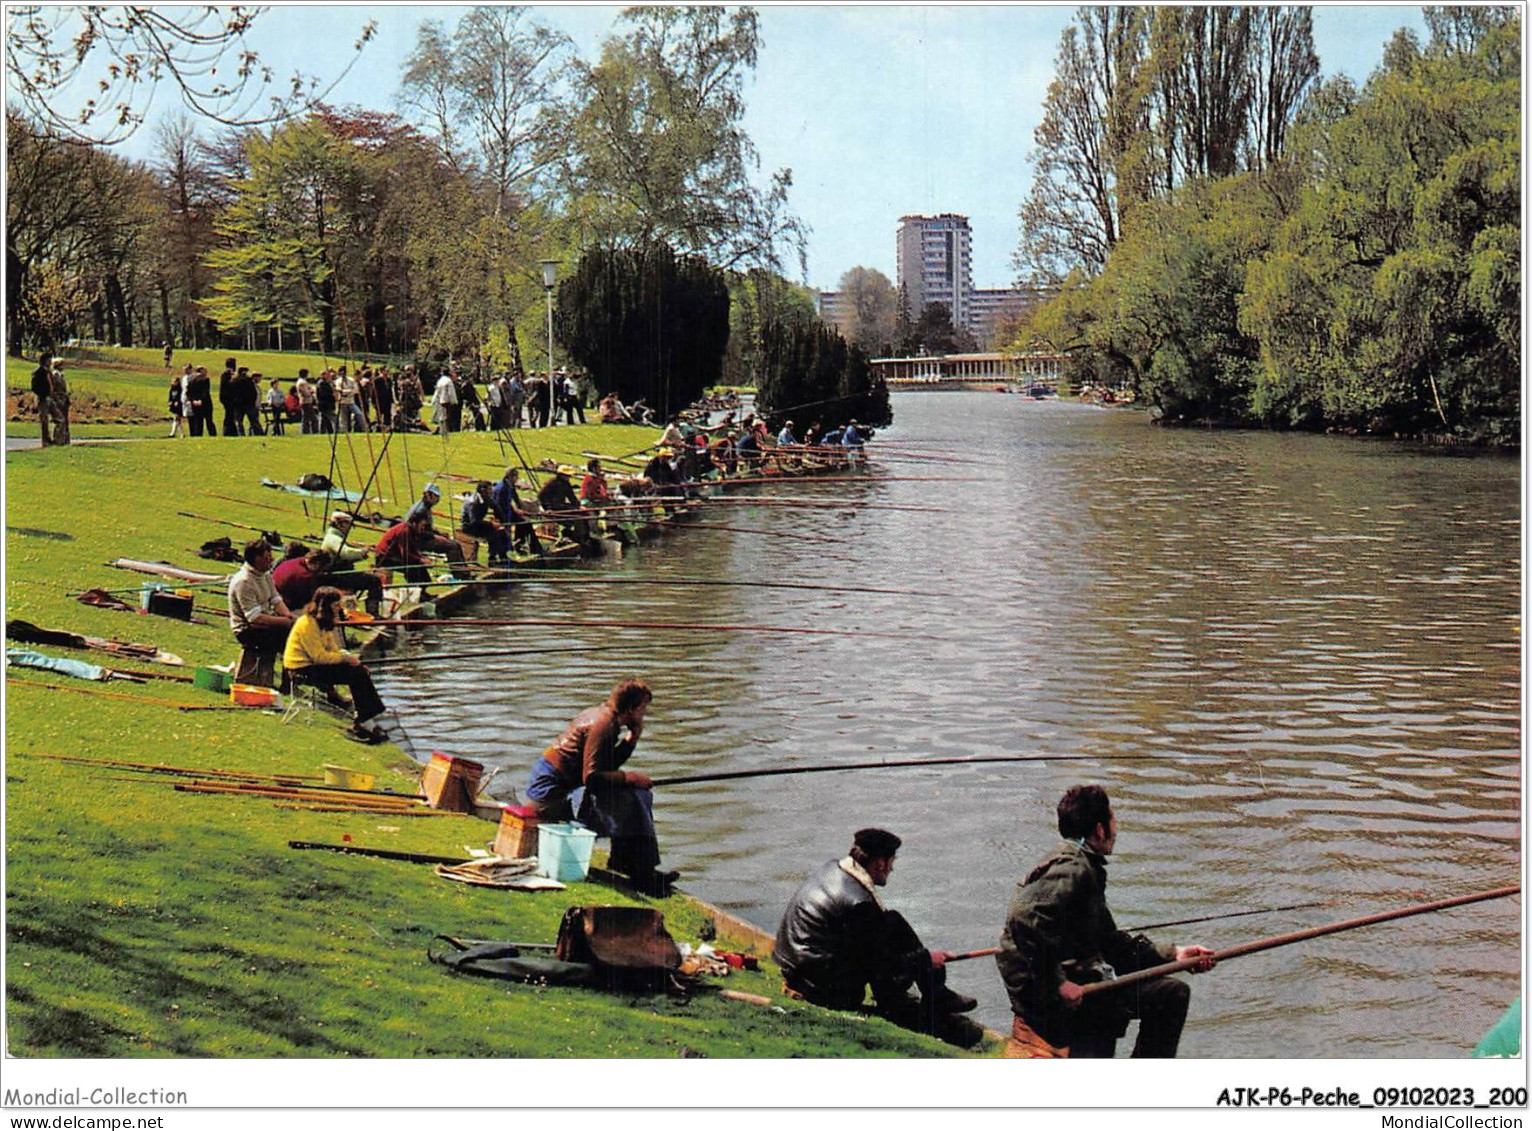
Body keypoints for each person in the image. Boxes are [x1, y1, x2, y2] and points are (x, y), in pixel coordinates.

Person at [996, 785, 1216, 1059]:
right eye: (1113, 820)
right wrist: (1057, 983)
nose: (1116, 828)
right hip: (1049, 998)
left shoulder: (1071, 862)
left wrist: (1176, 955)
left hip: (1043, 990)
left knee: (1158, 991)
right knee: (1172, 995)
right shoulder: (1075, 869)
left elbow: (1111, 944)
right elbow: (1023, 917)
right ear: (1100, 829)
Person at [773, 828, 983, 1049]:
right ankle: (909, 1003)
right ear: (880, 863)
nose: (892, 868)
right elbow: (880, 964)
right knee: (890, 952)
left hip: (797, 967)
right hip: (820, 987)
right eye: (892, 862)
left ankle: (935, 992)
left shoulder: (834, 868)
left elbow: (875, 942)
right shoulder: (859, 902)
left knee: (891, 920)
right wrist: (926, 959)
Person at [524, 679, 676, 896]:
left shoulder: (605, 717)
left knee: (635, 794)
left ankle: (636, 868)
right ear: (631, 709)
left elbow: (606, 766)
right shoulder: (603, 725)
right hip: (550, 796)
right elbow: (593, 778)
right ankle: (641, 874)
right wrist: (629, 777)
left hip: (566, 788)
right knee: (631, 799)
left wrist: (631, 740)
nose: (644, 713)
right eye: (643, 708)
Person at [283, 586, 390, 744]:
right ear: (324, 606)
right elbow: (318, 656)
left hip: (312, 665)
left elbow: (332, 649)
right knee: (355, 673)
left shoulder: (323, 623)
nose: (338, 608)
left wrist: (350, 659)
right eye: (335, 605)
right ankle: (365, 721)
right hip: (300, 669)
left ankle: (365, 717)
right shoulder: (307, 623)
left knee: (358, 671)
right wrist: (345, 659)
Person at [227, 539, 295, 688]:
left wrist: (288, 616)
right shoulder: (244, 581)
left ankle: (286, 682)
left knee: (294, 631)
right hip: (246, 629)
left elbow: (275, 599)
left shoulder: (265, 575)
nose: (271, 560)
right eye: (267, 557)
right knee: (287, 636)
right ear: (257, 559)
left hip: (264, 622)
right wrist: (285, 622)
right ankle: (285, 682)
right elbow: (254, 618)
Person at [319, 512, 384, 615]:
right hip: (336, 576)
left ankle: (352, 610)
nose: (349, 528)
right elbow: (346, 553)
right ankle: (373, 613)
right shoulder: (333, 538)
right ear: (340, 524)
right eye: (348, 525)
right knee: (374, 580)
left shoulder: (335, 536)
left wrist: (361, 553)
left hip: (341, 573)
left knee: (365, 578)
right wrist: (362, 552)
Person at [404, 484, 470, 575]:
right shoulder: (420, 510)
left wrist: (439, 534)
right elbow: (418, 532)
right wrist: (435, 536)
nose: (437, 500)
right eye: (436, 497)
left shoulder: (426, 507)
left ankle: (464, 571)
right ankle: (458, 574)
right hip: (416, 540)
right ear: (428, 495)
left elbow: (427, 528)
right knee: (452, 546)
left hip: (425, 536)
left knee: (456, 544)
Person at [489, 467, 544, 556]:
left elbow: (515, 498)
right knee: (525, 523)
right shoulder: (502, 488)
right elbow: (502, 505)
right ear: (511, 477)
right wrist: (516, 511)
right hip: (502, 514)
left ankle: (520, 544)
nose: (517, 479)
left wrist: (521, 508)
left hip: (507, 511)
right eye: (516, 477)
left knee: (523, 521)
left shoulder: (509, 484)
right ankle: (533, 548)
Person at [460, 480, 512, 564]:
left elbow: (496, 508)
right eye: (489, 490)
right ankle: (492, 558)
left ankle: (503, 556)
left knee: (502, 531)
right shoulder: (474, 502)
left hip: (479, 524)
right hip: (469, 527)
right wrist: (491, 524)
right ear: (483, 490)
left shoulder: (486, 498)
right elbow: (474, 521)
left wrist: (502, 522)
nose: (491, 492)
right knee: (493, 533)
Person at [537, 464, 589, 546]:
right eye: (567, 475)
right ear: (561, 475)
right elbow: (541, 497)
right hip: (553, 508)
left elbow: (572, 497)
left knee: (584, 515)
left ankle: (584, 537)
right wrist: (547, 508)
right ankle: (575, 537)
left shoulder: (566, 484)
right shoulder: (551, 484)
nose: (569, 477)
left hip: (561, 506)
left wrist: (578, 506)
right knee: (575, 519)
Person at [373, 513, 433, 584]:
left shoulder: (411, 530)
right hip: (384, 557)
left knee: (419, 568)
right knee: (413, 569)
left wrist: (421, 558)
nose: (423, 528)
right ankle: (416, 589)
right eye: (422, 525)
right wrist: (420, 560)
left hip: (394, 555)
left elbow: (412, 548)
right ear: (414, 523)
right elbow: (405, 554)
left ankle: (423, 589)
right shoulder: (405, 531)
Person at [273, 547, 335, 612]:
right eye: (321, 569)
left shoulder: (294, 561)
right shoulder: (305, 576)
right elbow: (307, 602)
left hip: (274, 594)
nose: (320, 572)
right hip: (281, 604)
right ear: (317, 564)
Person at [187, 365, 215, 436]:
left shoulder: (191, 380)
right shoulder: (205, 379)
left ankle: (198, 434)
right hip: (205, 403)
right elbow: (205, 391)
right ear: (202, 371)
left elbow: (188, 392)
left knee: (198, 420)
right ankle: (212, 434)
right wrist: (200, 400)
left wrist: (193, 400)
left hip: (195, 403)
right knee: (209, 420)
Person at [48, 360, 71, 445]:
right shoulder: (54, 375)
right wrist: (57, 399)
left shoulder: (61, 375)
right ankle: (57, 439)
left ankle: (64, 439)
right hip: (58, 400)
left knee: (65, 420)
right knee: (59, 420)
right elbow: (53, 389)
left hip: (64, 399)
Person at [167, 371, 185, 438]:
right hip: (174, 406)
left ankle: (173, 433)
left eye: (174, 381)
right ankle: (182, 433)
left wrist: (178, 401)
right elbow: (170, 396)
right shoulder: (172, 389)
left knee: (177, 419)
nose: (173, 383)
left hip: (179, 406)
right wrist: (170, 402)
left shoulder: (180, 389)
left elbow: (180, 396)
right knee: (178, 420)